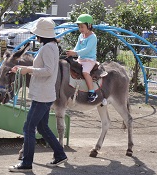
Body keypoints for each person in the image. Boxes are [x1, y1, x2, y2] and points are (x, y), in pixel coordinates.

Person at [8, 18, 68, 173]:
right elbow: (43, 68)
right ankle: (60, 154)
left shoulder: (48, 48)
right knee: (42, 127)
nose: (35, 36)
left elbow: (47, 71)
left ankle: (26, 163)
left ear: (42, 34)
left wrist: (28, 70)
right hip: (45, 94)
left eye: (37, 33)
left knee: (28, 127)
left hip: (42, 95)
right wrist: (22, 68)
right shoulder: (51, 46)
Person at [66, 14, 98, 103]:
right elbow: (77, 47)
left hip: (89, 60)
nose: (81, 29)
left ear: (89, 25)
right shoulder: (81, 36)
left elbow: (87, 50)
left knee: (85, 72)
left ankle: (92, 92)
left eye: (82, 27)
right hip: (80, 59)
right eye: (79, 27)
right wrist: (71, 52)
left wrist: (75, 53)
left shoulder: (93, 37)